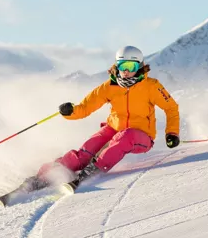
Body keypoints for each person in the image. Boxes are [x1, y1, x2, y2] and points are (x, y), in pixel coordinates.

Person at [47, 45, 180, 184]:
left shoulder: (151, 86)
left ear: (140, 66)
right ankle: (50, 173)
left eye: (131, 66)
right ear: (117, 66)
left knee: (126, 136)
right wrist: (71, 111)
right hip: (114, 129)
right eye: (123, 66)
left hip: (141, 136)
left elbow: (171, 108)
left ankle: (92, 170)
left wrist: (172, 133)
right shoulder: (109, 87)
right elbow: (86, 107)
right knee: (86, 151)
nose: (127, 71)